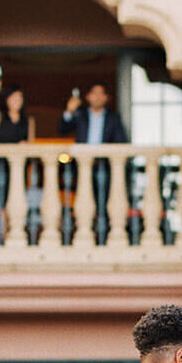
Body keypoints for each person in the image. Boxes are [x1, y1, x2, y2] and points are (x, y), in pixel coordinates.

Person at [59, 83, 128, 244]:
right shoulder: (80, 115)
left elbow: (121, 142)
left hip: (104, 167)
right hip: (83, 167)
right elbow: (62, 129)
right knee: (83, 199)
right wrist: (69, 110)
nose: (97, 96)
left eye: (100, 93)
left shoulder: (113, 118)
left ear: (106, 98)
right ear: (88, 97)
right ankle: (82, 234)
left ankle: (102, 237)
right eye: (94, 93)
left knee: (103, 202)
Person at [0, 78, 35, 242]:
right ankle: (4, 232)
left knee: (19, 195)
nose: (16, 101)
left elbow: (32, 144)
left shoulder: (29, 120)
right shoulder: (0, 117)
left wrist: (25, 144)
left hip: (20, 166)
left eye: (19, 98)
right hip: (2, 165)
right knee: (3, 197)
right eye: (13, 97)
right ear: (7, 100)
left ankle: (17, 228)